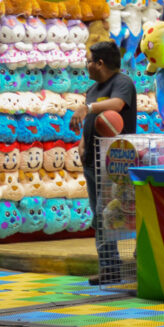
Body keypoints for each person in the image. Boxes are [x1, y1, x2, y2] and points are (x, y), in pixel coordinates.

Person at [70, 41, 137, 285]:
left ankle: (115, 267)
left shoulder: (122, 83)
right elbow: (92, 121)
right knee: (99, 216)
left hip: (115, 163)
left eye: (89, 61)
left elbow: (117, 106)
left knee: (106, 213)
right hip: (92, 162)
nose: (86, 65)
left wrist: (88, 108)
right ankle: (109, 268)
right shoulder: (92, 89)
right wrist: (82, 141)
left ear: (99, 63)